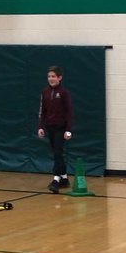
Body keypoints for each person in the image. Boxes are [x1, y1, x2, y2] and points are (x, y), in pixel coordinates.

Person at [37, 66, 74, 194]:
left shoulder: (64, 93)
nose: (51, 79)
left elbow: (69, 112)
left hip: (61, 127)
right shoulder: (45, 92)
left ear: (59, 78)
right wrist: (40, 126)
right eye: (49, 77)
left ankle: (56, 179)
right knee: (56, 153)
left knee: (58, 152)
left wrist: (68, 129)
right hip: (49, 127)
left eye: (53, 76)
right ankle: (64, 177)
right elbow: (42, 111)